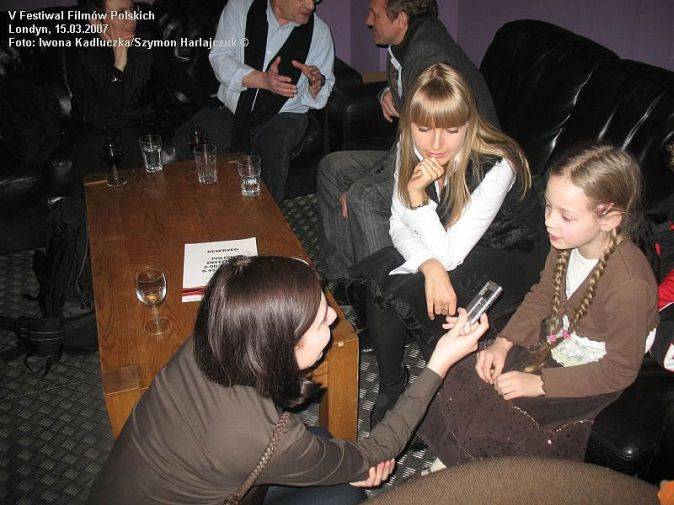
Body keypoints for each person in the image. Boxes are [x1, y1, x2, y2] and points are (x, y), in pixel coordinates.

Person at [86, 255, 489, 504]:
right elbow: (380, 449)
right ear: (282, 349)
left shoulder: (214, 334)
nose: (333, 317)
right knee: (344, 494)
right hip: (226, 472)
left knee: (329, 446)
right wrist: (439, 363)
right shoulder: (267, 438)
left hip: (137, 484)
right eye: (320, 322)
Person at [418, 144, 659, 465]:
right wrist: (503, 343)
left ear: (610, 219)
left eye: (565, 216)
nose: (549, 222)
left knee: (503, 417)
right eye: (548, 207)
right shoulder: (567, 241)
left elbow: (619, 371)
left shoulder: (629, 285)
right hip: (556, 338)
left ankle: (466, 473)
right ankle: (451, 456)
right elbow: (543, 295)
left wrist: (540, 384)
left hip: (589, 372)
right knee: (462, 372)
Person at [349, 63, 543, 426]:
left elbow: (450, 255)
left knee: (424, 290)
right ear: (410, 124)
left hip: (513, 252)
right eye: (424, 129)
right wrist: (429, 265)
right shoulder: (411, 144)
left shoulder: (498, 164)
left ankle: (441, 402)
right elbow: (397, 223)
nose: (436, 145)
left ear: (469, 124)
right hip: (450, 243)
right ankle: (392, 384)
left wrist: (417, 199)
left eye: (452, 130)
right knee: (385, 275)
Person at [317, 0, 499, 289]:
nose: (368, 20)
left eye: (375, 14)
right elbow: (409, 105)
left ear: (401, 18)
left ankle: (383, 293)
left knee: (364, 195)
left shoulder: (428, 55)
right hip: (418, 146)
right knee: (332, 167)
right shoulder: (403, 42)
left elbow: (422, 135)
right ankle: (342, 279)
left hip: (456, 159)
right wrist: (387, 93)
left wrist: (363, 180)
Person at [173, 0, 335, 202]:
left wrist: (315, 85)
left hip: (285, 115)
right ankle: (223, 199)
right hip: (235, 111)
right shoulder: (239, 9)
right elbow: (220, 58)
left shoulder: (319, 32)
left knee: (270, 147)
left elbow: (322, 87)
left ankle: (265, 215)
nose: (311, 6)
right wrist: (262, 80)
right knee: (186, 138)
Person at [67, 0, 170, 188]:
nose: (132, 19)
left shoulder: (145, 40)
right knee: (93, 144)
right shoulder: (81, 50)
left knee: (132, 139)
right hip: (96, 126)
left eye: (132, 10)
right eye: (121, 13)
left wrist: (214, 102)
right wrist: (119, 63)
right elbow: (97, 117)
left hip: (138, 122)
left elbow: (176, 75)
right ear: (96, 20)